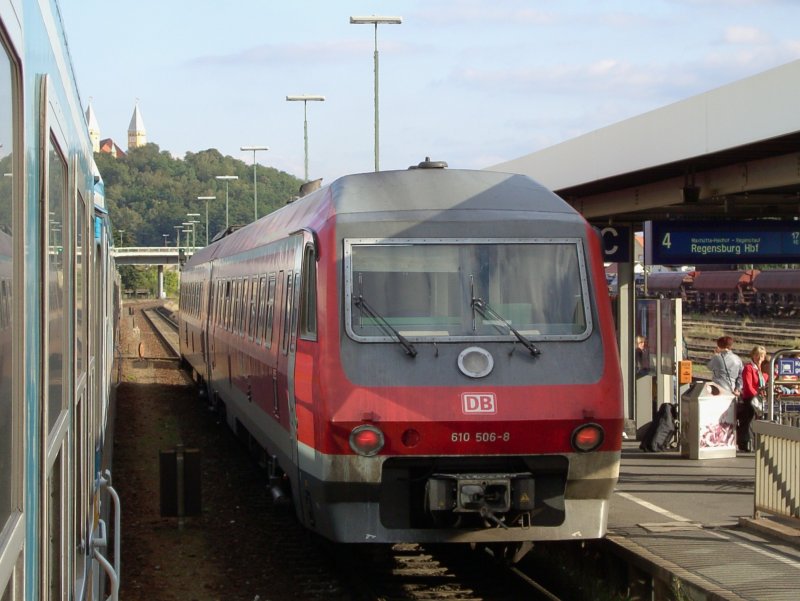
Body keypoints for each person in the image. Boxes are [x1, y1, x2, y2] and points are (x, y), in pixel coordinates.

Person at [738, 345, 767, 452]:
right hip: (750, 399)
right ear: (753, 356)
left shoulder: (762, 369)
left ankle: (756, 443)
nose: (759, 358)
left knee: (757, 421)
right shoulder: (749, 368)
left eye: (762, 356)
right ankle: (747, 443)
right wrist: (757, 395)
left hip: (759, 399)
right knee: (749, 421)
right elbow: (748, 385)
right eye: (757, 355)